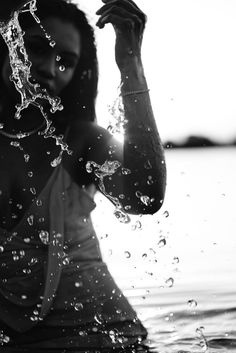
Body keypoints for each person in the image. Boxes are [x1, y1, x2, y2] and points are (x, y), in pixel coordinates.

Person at [0, 0, 166, 351]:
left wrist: (130, 62)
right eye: (34, 47)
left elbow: (145, 197)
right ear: (8, 41)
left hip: (106, 339)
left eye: (66, 61)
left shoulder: (82, 142)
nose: (48, 68)